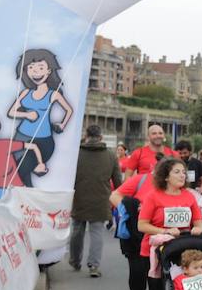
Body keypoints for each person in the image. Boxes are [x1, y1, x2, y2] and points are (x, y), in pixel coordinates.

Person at [136, 156, 202, 290]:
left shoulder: (189, 196)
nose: (182, 175)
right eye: (177, 172)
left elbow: (198, 221)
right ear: (166, 176)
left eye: (183, 172)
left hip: (181, 251)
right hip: (155, 251)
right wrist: (164, 231)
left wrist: (198, 228)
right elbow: (142, 225)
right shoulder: (154, 196)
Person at [8, 48, 73, 185]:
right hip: (21, 136)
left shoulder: (53, 94)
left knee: (22, 170)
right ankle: (27, 200)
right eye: (31, 68)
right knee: (18, 171)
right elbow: (11, 112)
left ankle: (28, 200)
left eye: (40, 67)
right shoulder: (26, 93)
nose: (36, 72)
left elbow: (69, 110)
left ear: (49, 71)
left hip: (43, 141)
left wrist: (62, 125)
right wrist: (26, 114)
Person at [70, 124, 121, 278]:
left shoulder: (75, 153)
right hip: (101, 199)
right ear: (101, 137)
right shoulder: (111, 155)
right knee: (97, 233)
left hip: (78, 198)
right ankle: (94, 265)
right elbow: (118, 181)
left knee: (77, 232)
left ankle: (75, 260)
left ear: (86, 136)